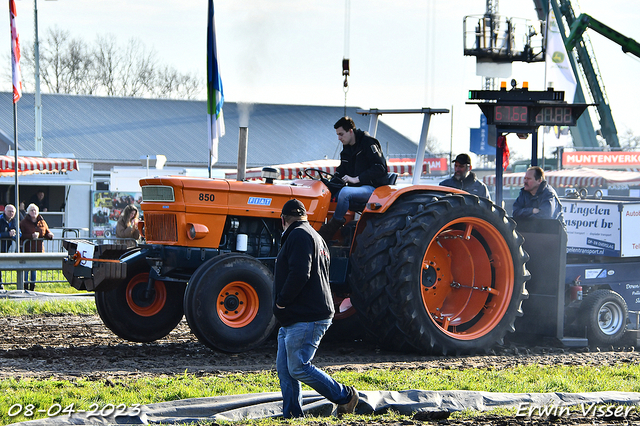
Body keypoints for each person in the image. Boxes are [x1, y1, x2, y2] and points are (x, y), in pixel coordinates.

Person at [274, 199, 359, 418]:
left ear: (283, 219)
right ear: (305, 216)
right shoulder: (316, 236)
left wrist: (281, 301)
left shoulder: (298, 236)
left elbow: (300, 273)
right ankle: (292, 414)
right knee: (285, 370)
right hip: (296, 317)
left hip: (305, 315)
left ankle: (345, 396)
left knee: (298, 367)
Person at [318, 116, 388, 241]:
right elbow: (342, 170)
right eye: (337, 135)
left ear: (350, 131)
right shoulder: (347, 148)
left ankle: (333, 227)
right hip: (356, 188)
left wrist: (357, 178)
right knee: (326, 192)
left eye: (341, 134)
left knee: (345, 193)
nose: (339, 138)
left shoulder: (368, 143)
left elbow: (380, 168)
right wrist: (327, 185)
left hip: (372, 189)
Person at [20, 203, 54, 291]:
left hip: (37, 249)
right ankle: (25, 286)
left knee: (34, 269)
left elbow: (46, 232)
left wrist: (50, 235)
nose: (33, 212)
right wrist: (31, 236)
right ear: (28, 212)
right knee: (26, 269)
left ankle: (32, 287)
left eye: (35, 210)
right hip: (27, 249)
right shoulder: (24, 222)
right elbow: (21, 235)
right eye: (31, 210)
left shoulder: (42, 221)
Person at [0, 204, 19, 290]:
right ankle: (0, 284)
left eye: (13, 212)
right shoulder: (0, 219)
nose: (11, 213)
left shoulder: (15, 221)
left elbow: (19, 233)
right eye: (9, 211)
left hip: (6, 246)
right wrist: (8, 234)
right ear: (5, 211)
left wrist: (14, 235)